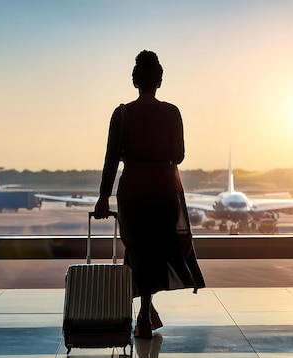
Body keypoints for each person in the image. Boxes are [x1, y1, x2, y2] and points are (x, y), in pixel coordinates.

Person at [94, 50, 205, 339]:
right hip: (164, 186)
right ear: (159, 82)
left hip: (133, 187)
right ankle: (145, 311)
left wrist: (104, 196)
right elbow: (178, 156)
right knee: (157, 249)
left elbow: (110, 159)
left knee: (138, 248)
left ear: (135, 81)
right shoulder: (172, 112)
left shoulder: (122, 114)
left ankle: (144, 312)